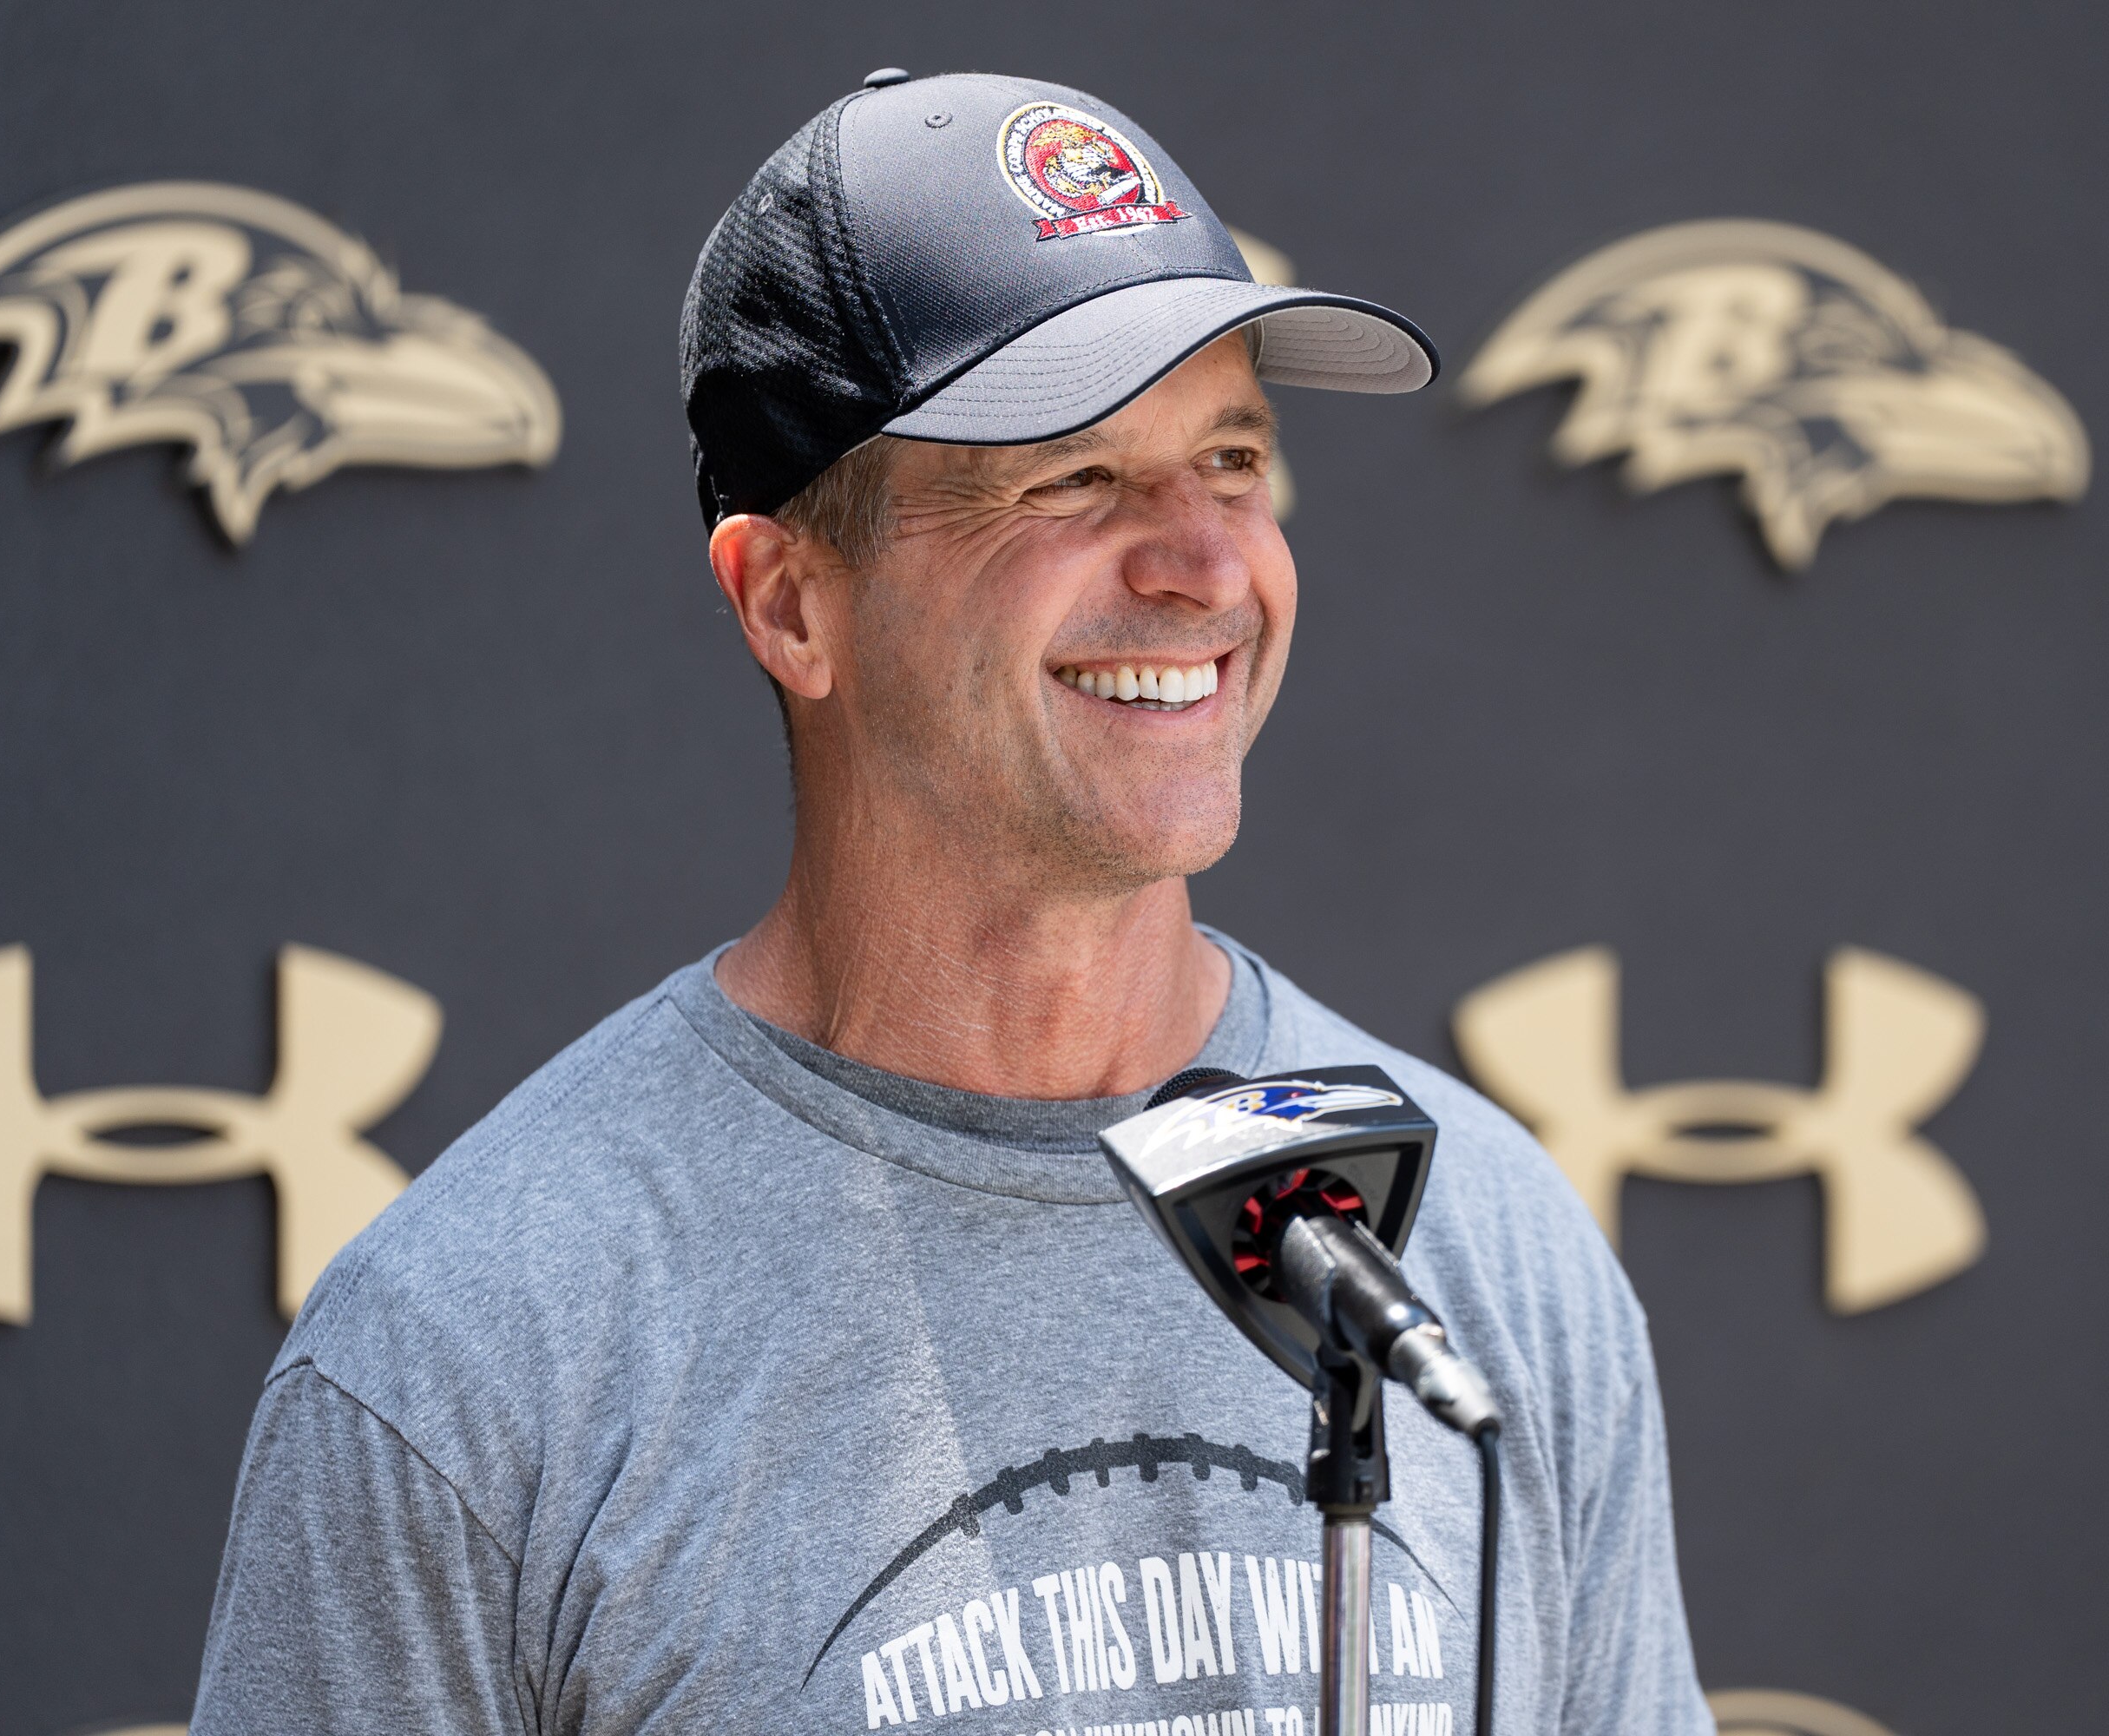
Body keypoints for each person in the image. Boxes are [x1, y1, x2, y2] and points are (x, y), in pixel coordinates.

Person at [189, 69, 1713, 1736]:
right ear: (790, 604)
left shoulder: (1484, 1240)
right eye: (1071, 480)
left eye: (1232, 457)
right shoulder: (475, 1349)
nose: (1204, 564)